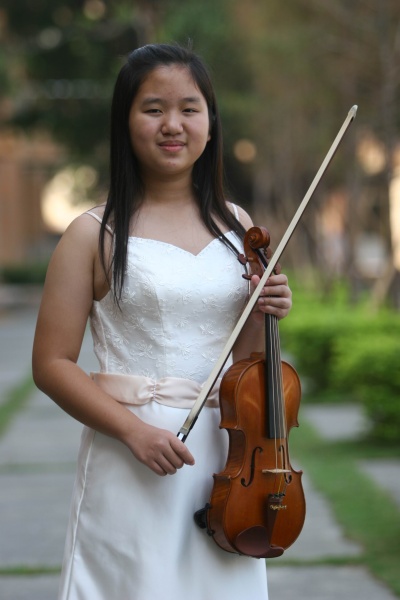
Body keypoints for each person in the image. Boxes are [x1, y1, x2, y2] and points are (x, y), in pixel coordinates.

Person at [32, 42, 292, 600]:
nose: (172, 125)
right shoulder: (91, 233)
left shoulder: (238, 225)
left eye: (188, 109)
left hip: (228, 458)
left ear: (210, 123)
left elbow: (245, 362)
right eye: (153, 109)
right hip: (130, 451)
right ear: (125, 121)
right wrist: (133, 432)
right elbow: (51, 364)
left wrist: (264, 310)